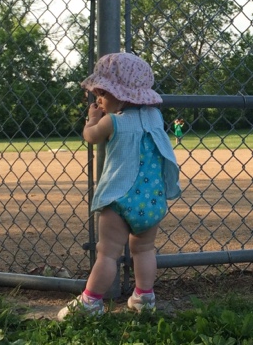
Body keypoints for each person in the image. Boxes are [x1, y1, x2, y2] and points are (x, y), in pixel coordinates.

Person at [58, 53, 181, 320]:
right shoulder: (154, 117)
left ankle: (91, 302)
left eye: (102, 93)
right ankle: (144, 298)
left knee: (107, 253)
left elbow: (91, 136)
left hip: (119, 198)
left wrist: (92, 119)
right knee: (144, 250)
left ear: (122, 95)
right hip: (151, 199)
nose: (99, 99)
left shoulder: (112, 121)